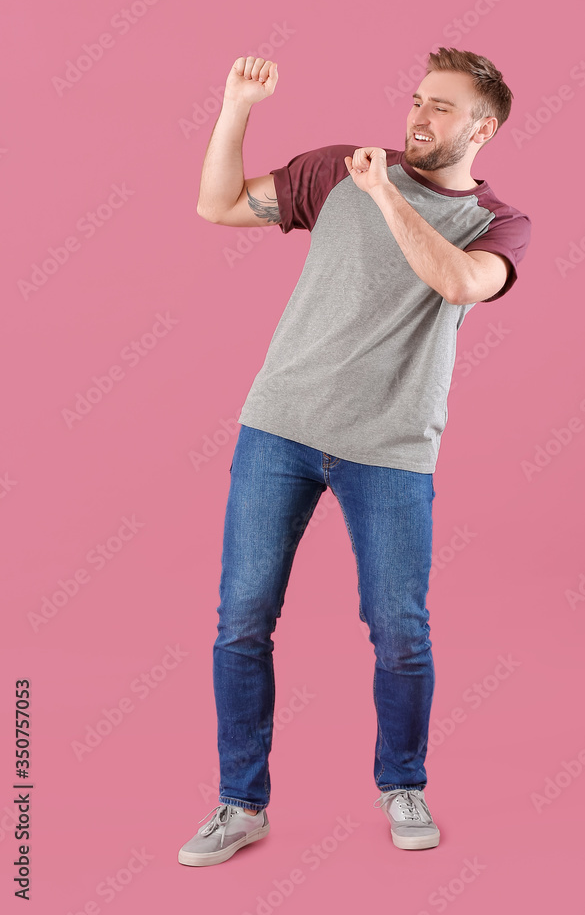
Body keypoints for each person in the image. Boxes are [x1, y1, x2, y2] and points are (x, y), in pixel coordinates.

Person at [178, 47, 532, 867]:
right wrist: (236, 106)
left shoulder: (497, 222)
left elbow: (458, 284)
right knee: (241, 623)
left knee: (399, 629)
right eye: (417, 98)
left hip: (392, 447)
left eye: (442, 107)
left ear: (483, 127)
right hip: (280, 427)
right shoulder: (338, 169)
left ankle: (401, 783)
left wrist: (385, 195)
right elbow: (218, 206)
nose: (419, 115)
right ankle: (240, 804)